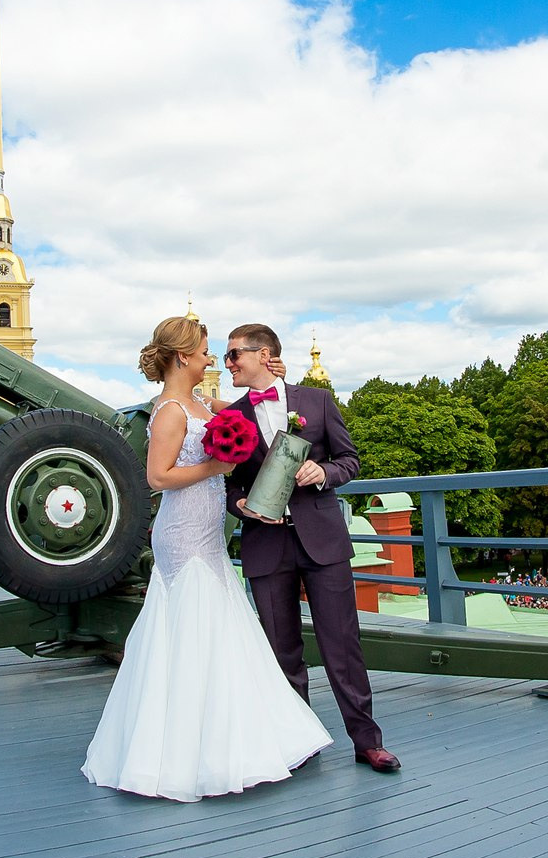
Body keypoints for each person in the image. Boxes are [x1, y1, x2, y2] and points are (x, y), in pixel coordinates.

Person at [81, 316, 330, 801]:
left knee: (216, 627)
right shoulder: (172, 411)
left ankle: (224, 737)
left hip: (209, 533)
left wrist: (276, 373)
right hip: (183, 533)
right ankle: (188, 754)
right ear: (182, 358)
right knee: (193, 628)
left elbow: (251, 407)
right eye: (204, 352)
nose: (211, 359)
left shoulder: (201, 403)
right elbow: (158, 477)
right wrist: (215, 467)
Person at [223, 323, 400, 773]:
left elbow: (350, 460)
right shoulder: (232, 417)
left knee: (342, 646)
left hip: (322, 542)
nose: (227, 364)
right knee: (282, 651)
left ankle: (367, 742)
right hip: (266, 546)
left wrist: (322, 472)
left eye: (234, 355)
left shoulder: (317, 402)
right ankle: (299, 742)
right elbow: (228, 486)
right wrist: (241, 505)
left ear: (264, 355)